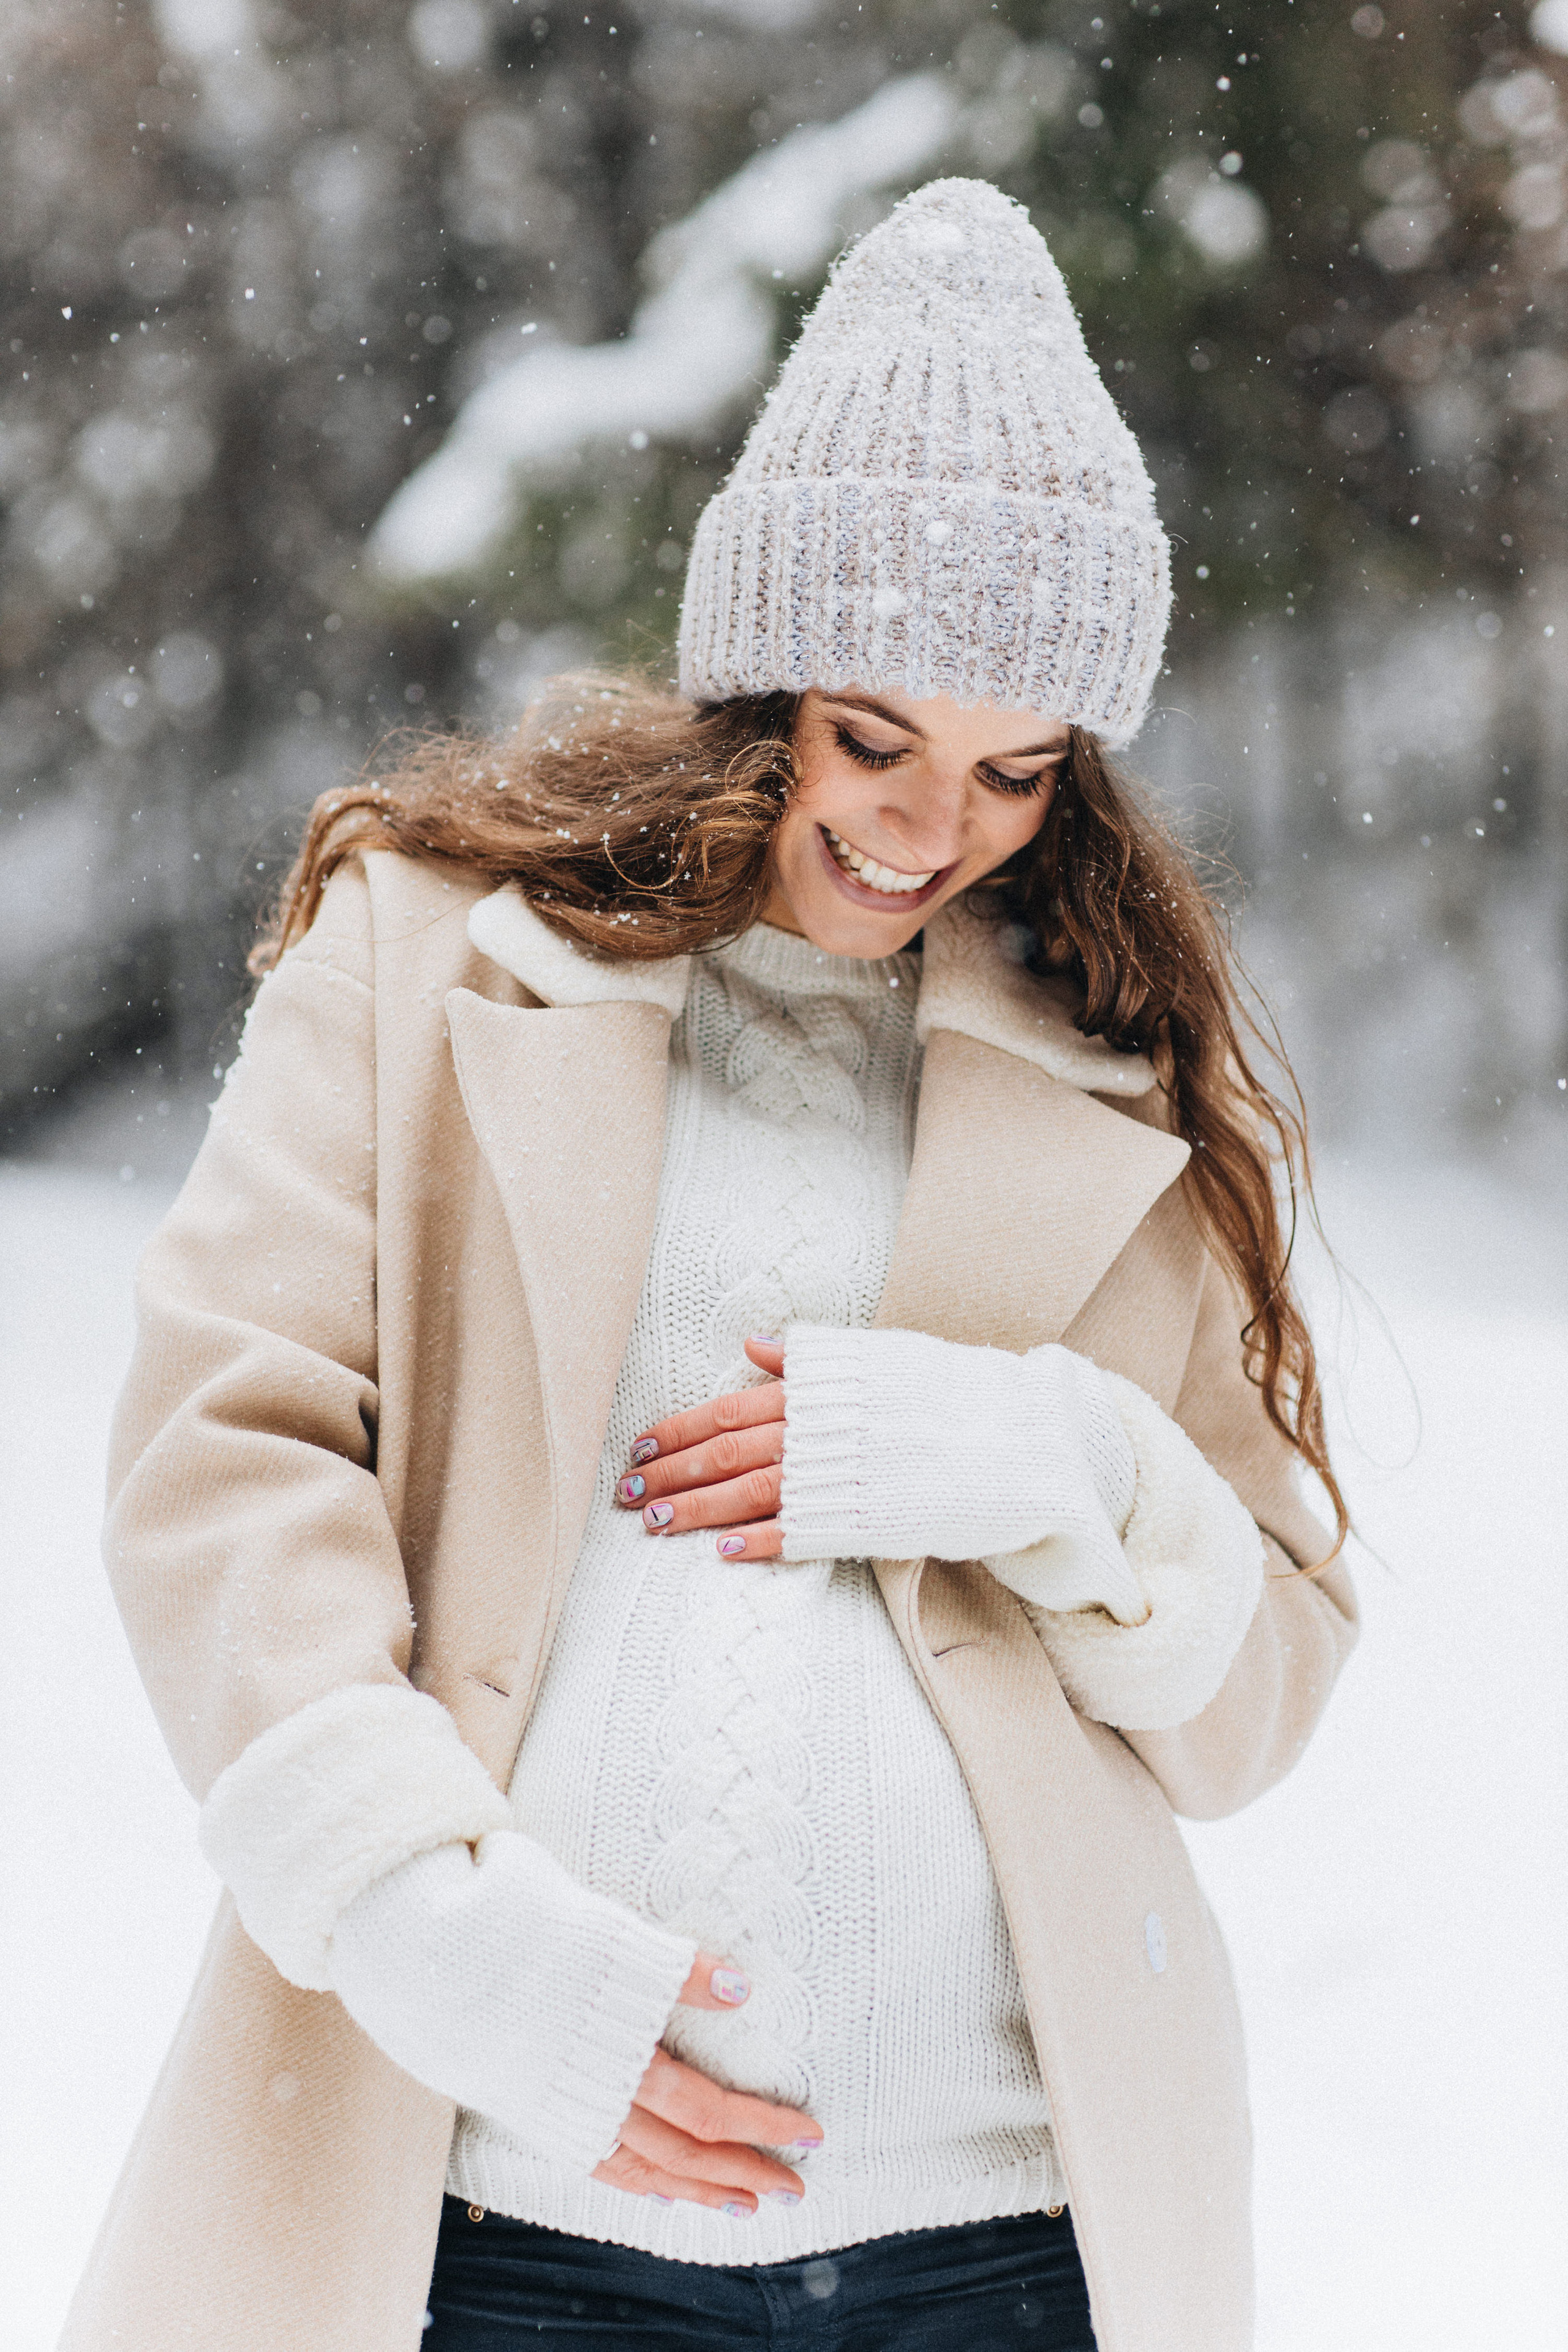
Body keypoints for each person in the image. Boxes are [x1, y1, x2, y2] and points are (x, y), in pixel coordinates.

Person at [64, 180, 1355, 2352]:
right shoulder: (428, 953)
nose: (933, 828)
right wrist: (432, 1934)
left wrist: (1042, 1456)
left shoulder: (1116, 1066)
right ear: (756, 678)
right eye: (875, 739)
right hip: (489, 2207)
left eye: (1016, 770)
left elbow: (1256, 1697)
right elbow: (223, 1453)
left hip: (1008, 2231)